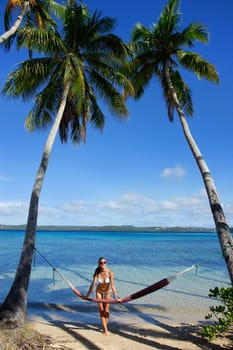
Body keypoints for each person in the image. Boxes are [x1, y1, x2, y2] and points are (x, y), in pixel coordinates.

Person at [83, 257, 121, 335]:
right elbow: (92, 285)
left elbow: (113, 286)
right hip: (99, 292)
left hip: (107, 292)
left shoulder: (110, 272)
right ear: (99, 264)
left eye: (104, 262)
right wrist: (87, 296)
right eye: (101, 263)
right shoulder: (97, 272)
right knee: (101, 309)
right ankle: (105, 329)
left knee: (106, 310)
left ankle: (104, 326)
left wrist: (116, 298)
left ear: (106, 263)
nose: (103, 264)